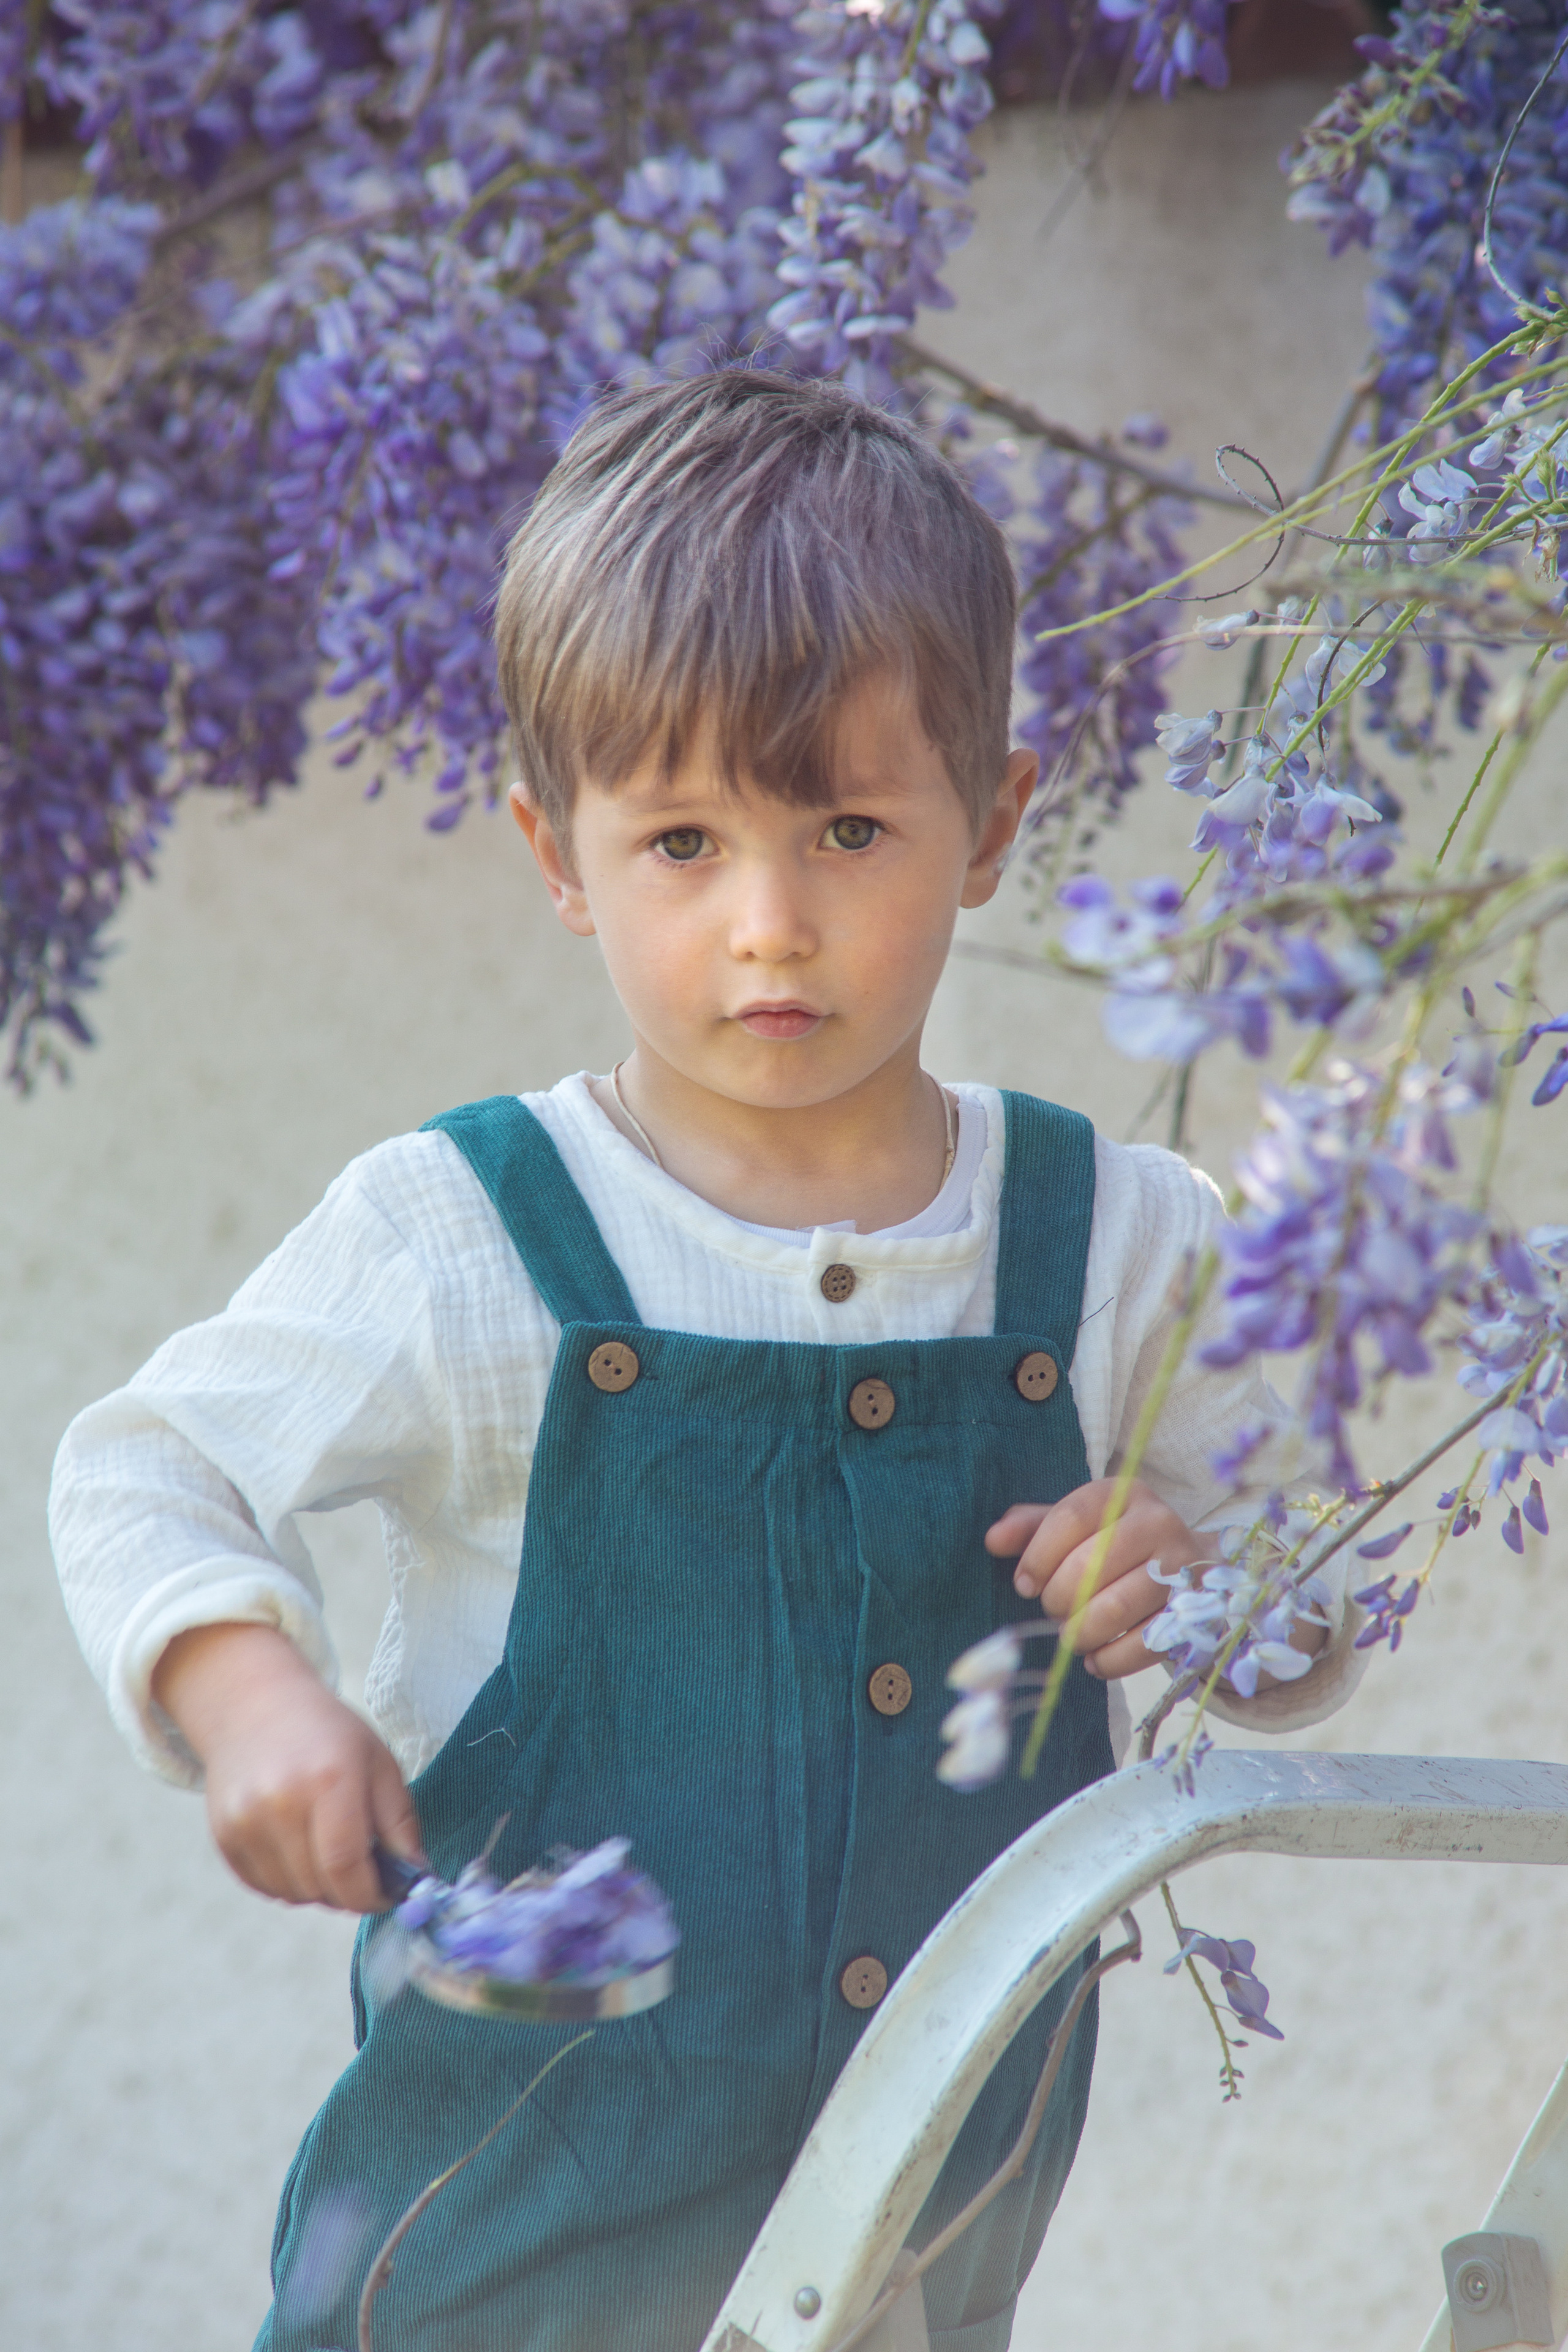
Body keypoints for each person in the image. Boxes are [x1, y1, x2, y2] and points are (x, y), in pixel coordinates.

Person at [50, 368, 1362, 2352]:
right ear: (556, 855)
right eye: (680, 841)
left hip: (915, 2248)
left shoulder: (1115, 1239)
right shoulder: (468, 1235)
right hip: (501, 2245)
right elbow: (143, 1464)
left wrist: (1204, 1580)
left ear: (993, 821)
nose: (773, 926)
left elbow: (1327, 1602)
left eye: (848, 825)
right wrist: (244, 1694)